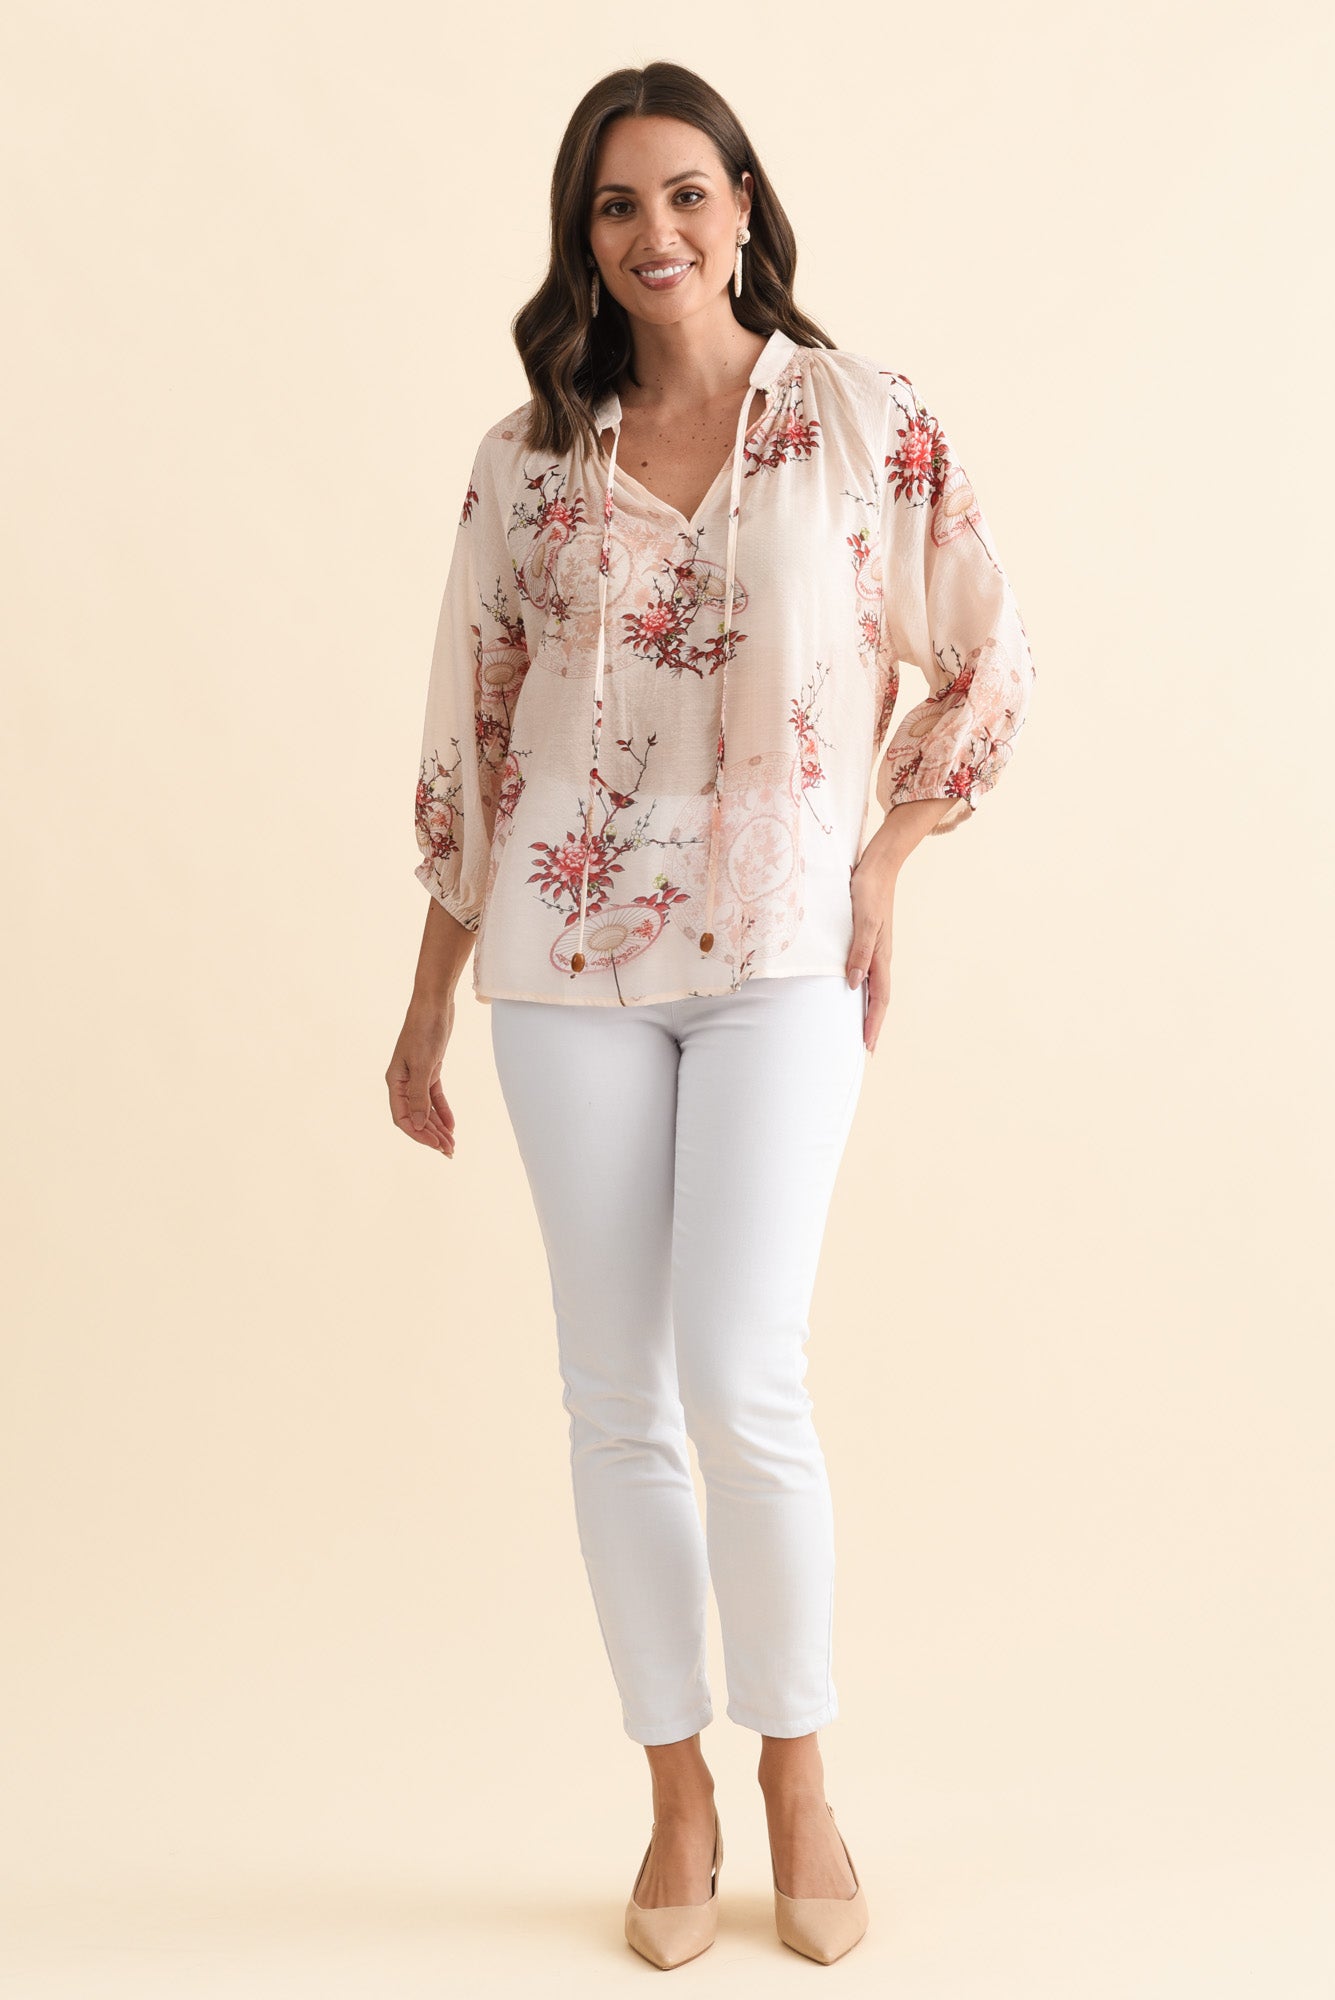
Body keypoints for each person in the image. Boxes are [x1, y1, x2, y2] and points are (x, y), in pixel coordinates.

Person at [386, 61, 1035, 1970]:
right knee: (613, 1394)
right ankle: (675, 1794)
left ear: (744, 204)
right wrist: (422, 1007)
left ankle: (799, 1782)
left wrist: (886, 859)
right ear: (582, 237)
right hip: (559, 966)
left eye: (686, 193)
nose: (654, 232)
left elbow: (987, 650)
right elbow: (472, 737)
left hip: (775, 952)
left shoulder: (859, 421)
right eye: (616, 205)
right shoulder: (526, 460)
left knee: (742, 1372)